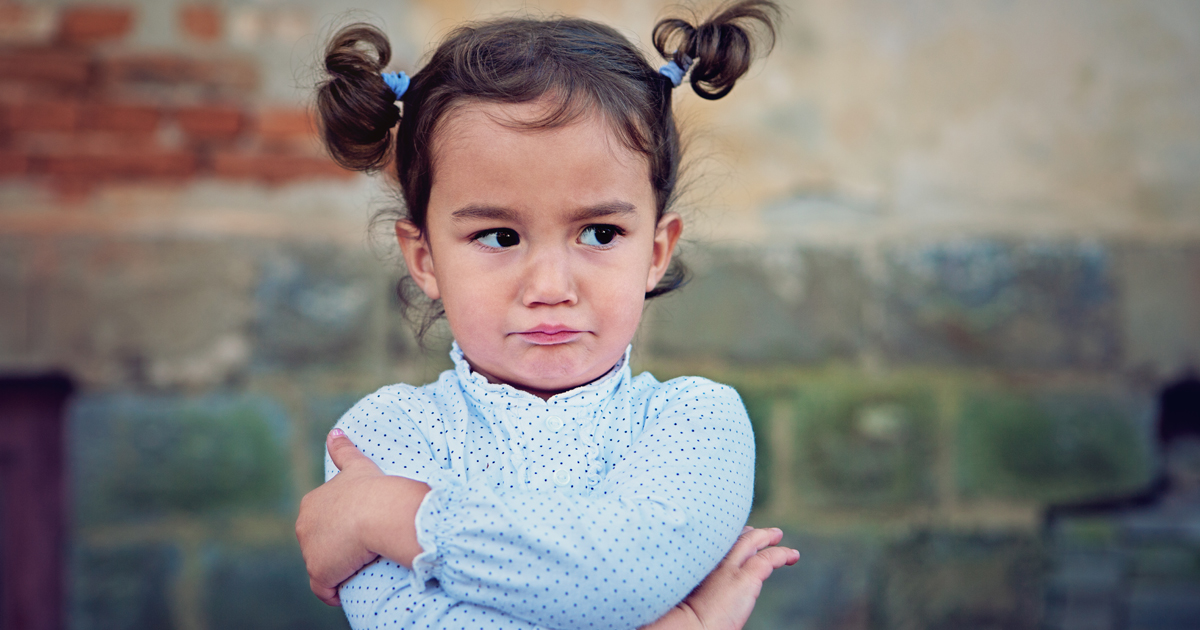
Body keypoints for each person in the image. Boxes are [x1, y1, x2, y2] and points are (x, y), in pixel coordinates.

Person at [294, 2, 798, 628]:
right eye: (500, 237)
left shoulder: (696, 423)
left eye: (600, 233)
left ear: (656, 251)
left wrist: (392, 517)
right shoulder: (382, 439)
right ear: (424, 258)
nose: (551, 287)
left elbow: (622, 573)